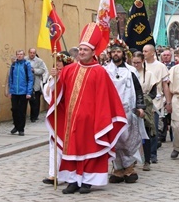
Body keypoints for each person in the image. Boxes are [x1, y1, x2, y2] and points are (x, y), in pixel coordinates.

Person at [46, 22, 127, 194]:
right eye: (80, 49)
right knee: (72, 150)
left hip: (91, 121)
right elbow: (59, 92)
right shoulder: (69, 70)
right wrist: (55, 79)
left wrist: (102, 118)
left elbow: (107, 98)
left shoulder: (100, 72)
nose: (82, 52)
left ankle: (87, 181)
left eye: (85, 50)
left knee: (90, 149)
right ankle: (73, 180)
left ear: (93, 52)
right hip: (71, 120)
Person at [105, 39, 146, 184]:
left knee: (127, 139)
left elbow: (138, 90)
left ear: (123, 53)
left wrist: (140, 106)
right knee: (114, 140)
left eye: (119, 51)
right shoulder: (105, 70)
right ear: (110, 53)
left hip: (128, 110)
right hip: (110, 111)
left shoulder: (131, 70)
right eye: (114, 51)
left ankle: (129, 167)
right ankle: (117, 168)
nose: (116, 54)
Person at [41, 51, 73, 185]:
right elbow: (48, 93)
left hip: (66, 114)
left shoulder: (70, 75)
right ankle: (53, 174)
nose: (57, 65)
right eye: (56, 62)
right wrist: (53, 80)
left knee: (67, 145)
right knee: (54, 143)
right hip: (56, 113)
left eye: (59, 62)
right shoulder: (52, 76)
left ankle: (68, 173)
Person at [142, 43, 170, 164]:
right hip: (141, 100)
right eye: (143, 51)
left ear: (153, 53)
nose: (143, 53)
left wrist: (168, 102)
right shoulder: (140, 65)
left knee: (152, 128)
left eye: (146, 51)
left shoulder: (160, 66)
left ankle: (153, 153)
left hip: (155, 101)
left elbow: (165, 85)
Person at [8, 49, 33, 136]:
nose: (19, 56)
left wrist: (28, 92)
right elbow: (10, 78)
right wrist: (10, 91)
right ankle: (16, 125)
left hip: (23, 91)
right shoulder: (14, 65)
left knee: (22, 111)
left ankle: (21, 128)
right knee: (14, 109)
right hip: (14, 91)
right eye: (18, 54)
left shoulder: (26, 65)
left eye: (21, 54)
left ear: (23, 55)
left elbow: (30, 79)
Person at [27, 48, 48, 123]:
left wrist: (34, 70)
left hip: (36, 83)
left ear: (35, 53)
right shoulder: (25, 59)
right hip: (26, 83)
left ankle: (34, 116)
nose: (32, 54)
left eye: (33, 53)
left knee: (35, 101)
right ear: (28, 53)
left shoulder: (39, 61)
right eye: (31, 53)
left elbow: (43, 70)